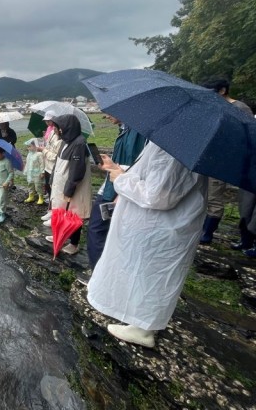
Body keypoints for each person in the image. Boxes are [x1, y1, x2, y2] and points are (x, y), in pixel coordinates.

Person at [87, 142, 207, 348]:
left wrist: (121, 179)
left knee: (151, 274)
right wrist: (118, 169)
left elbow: (159, 195)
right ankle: (138, 319)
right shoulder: (176, 138)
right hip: (155, 226)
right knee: (143, 271)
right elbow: (152, 175)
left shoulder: (176, 143)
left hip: (160, 228)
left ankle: (143, 328)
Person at [86, 116, 146, 269]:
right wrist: (112, 164)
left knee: (97, 229)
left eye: (108, 112)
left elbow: (137, 165)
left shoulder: (137, 131)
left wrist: (118, 173)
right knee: (106, 230)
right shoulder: (126, 128)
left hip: (119, 189)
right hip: (115, 186)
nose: (105, 115)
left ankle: (98, 272)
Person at [199, 79, 253, 244]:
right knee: (205, 194)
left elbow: (249, 134)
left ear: (222, 91)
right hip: (212, 157)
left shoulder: (240, 108)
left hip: (225, 160)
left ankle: (207, 234)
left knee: (215, 195)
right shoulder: (217, 107)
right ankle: (203, 229)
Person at [44, 114, 91, 255]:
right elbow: (58, 163)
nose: (55, 130)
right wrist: (52, 180)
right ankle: (59, 235)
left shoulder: (79, 144)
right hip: (60, 184)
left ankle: (74, 243)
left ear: (65, 128)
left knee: (73, 215)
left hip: (72, 187)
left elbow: (77, 171)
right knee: (60, 212)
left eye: (57, 128)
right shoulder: (65, 141)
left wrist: (69, 190)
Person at [40, 111, 63, 221]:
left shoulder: (60, 137)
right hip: (47, 166)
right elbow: (48, 146)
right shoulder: (53, 132)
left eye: (49, 121)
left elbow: (55, 156)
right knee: (49, 188)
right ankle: (51, 210)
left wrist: (43, 150)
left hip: (54, 167)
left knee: (55, 191)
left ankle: (55, 213)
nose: (48, 123)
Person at [23, 138, 45, 204]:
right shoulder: (29, 154)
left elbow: (42, 164)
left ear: (35, 146)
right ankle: (31, 196)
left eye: (30, 146)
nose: (28, 148)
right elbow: (27, 163)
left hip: (37, 173)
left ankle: (40, 197)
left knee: (38, 185)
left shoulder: (39, 154)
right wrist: (26, 170)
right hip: (30, 173)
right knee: (30, 184)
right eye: (27, 147)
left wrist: (42, 172)